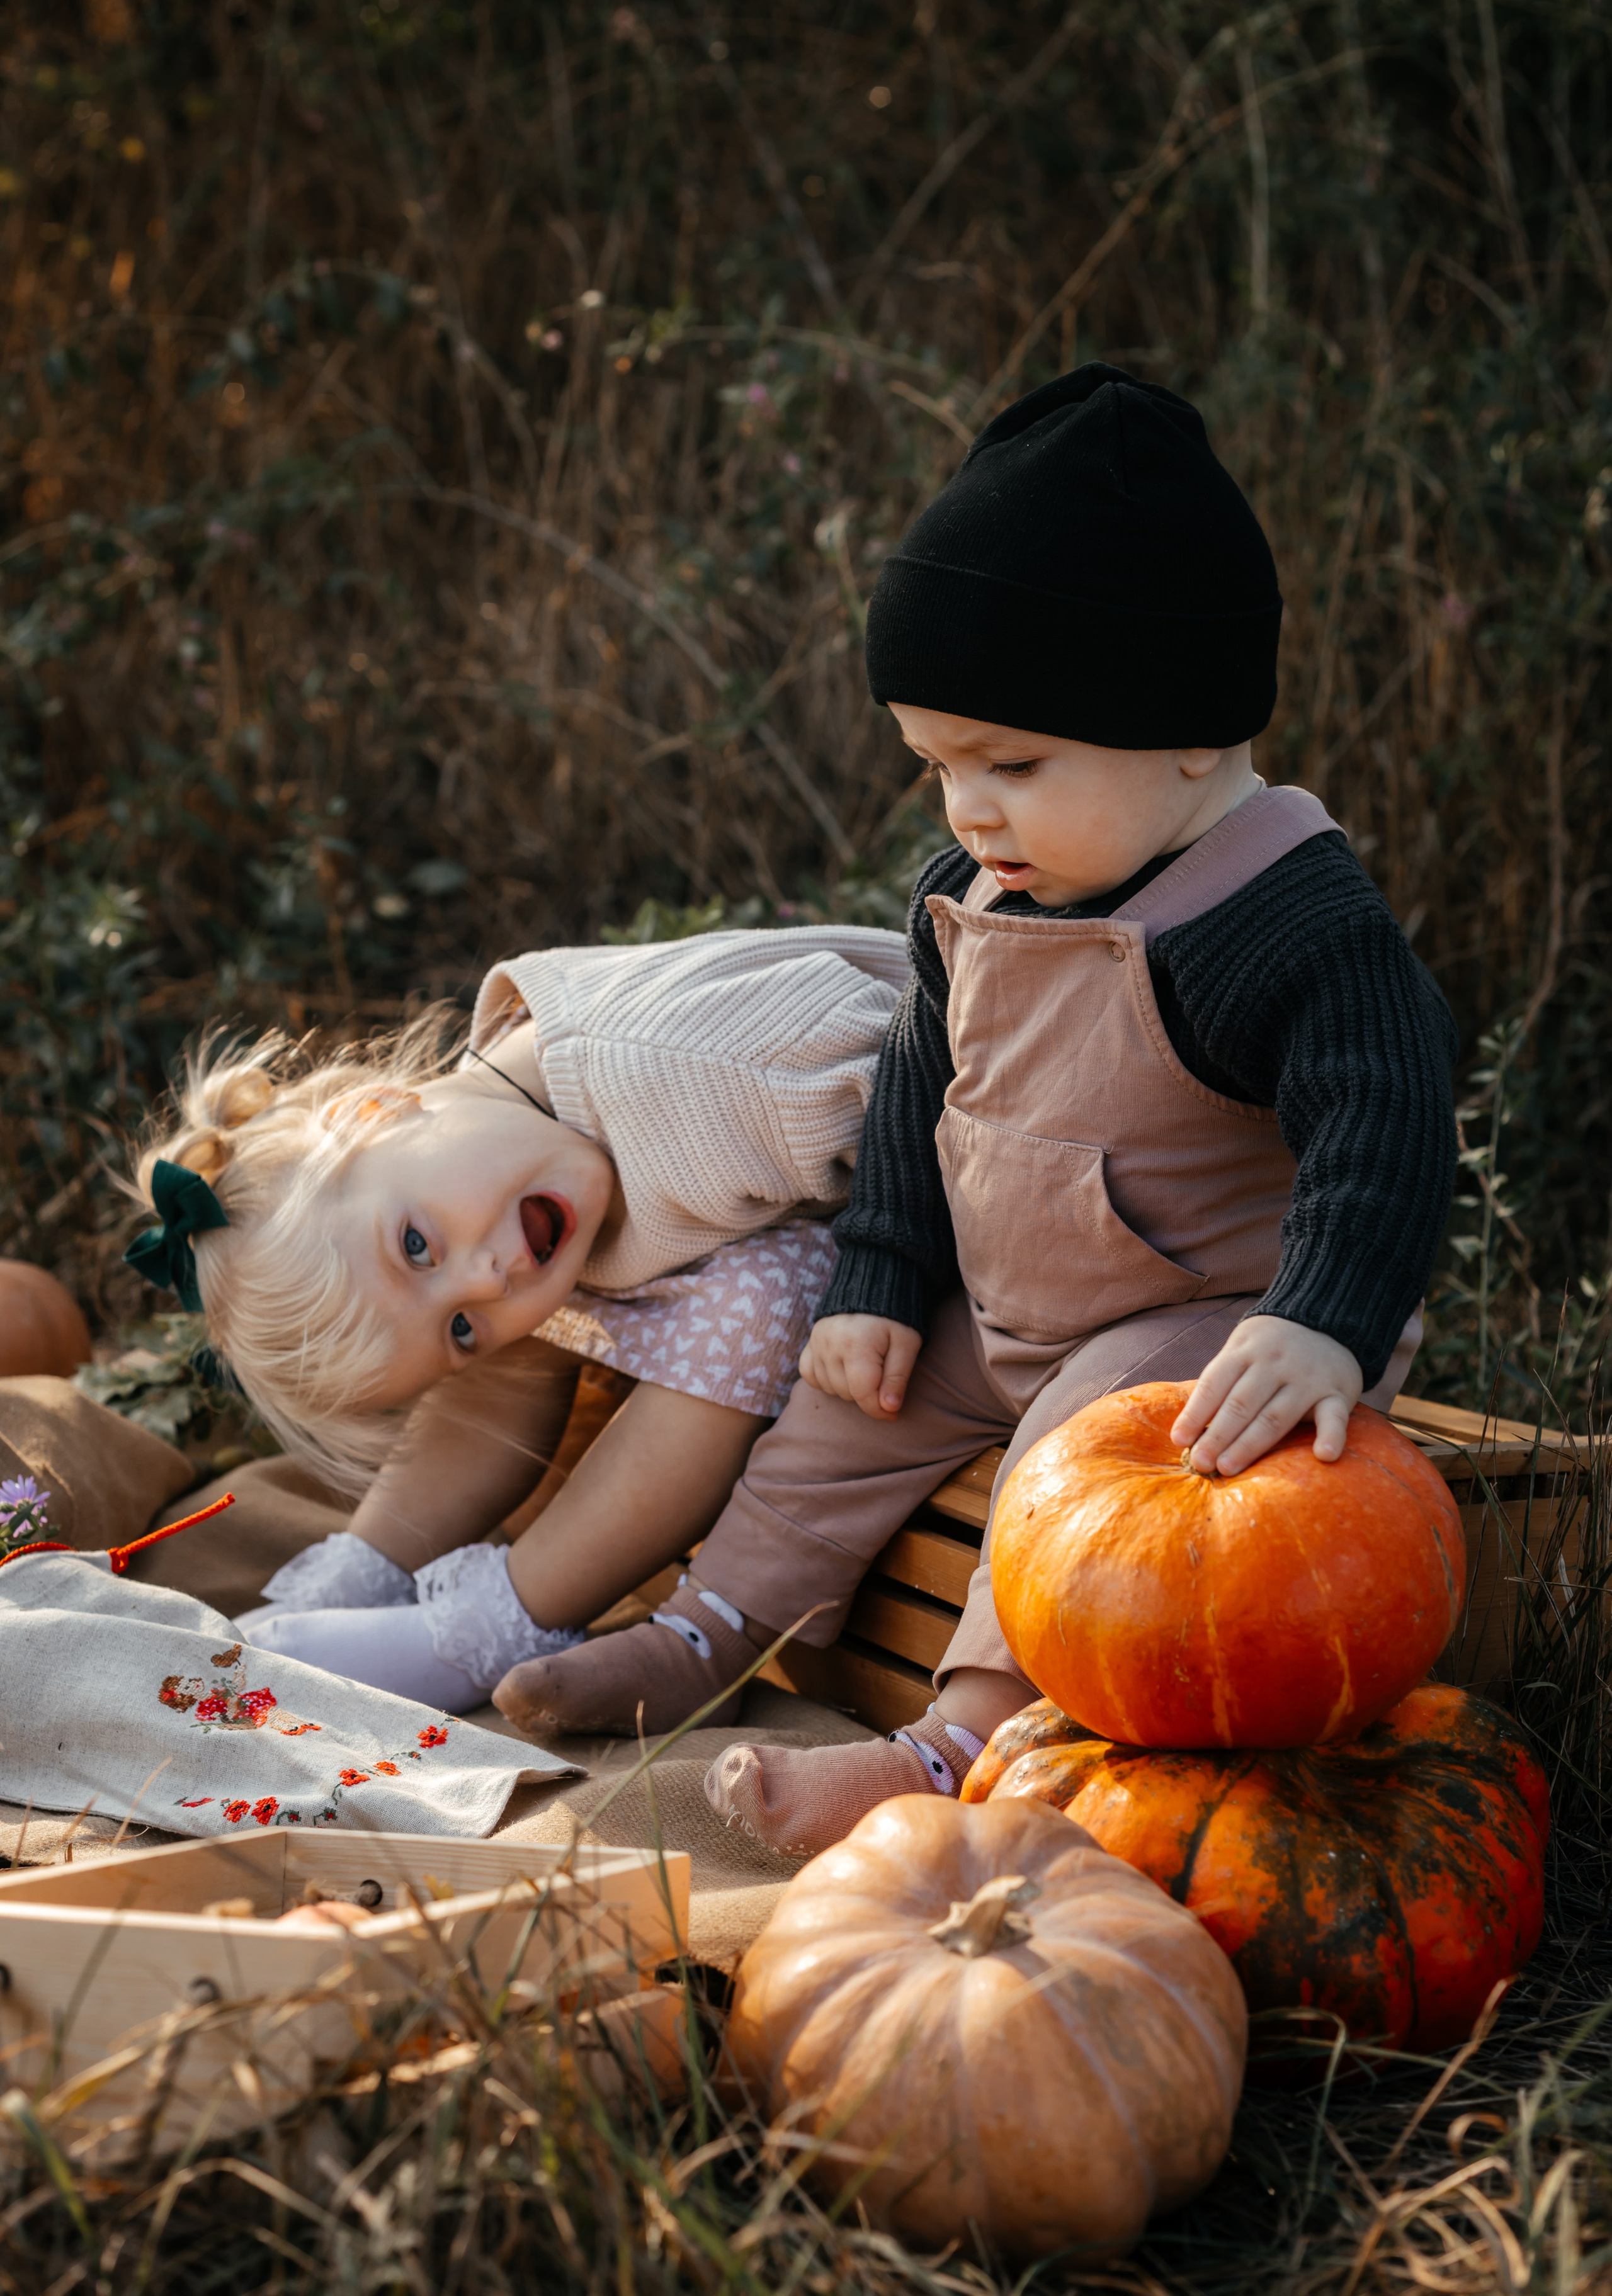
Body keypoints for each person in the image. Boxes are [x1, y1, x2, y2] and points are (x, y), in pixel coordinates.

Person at [499, 363, 1459, 1854]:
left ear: (1187, 727)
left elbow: (1384, 1121)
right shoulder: (974, 892)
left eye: (1009, 763)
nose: (967, 810)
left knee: (1081, 1469)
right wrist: (882, 1272)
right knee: (840, 1402)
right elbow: (914, 1086)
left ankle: (959, 1741)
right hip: (1009, 1306)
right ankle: (700, 1633)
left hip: (1205, 1325)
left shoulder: (1284, 923)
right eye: (936, 765)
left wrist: (1320, 1316)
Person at [120, 920, 907, 1712]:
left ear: (375, 1112)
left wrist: (885, 1273)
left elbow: (936, 1074)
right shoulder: (506, 1154)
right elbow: (489, 1358)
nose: (485, 1280)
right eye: (457, 1327)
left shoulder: (713, 1074)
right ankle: (366, 1569)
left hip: (955, 1195)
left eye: (416, 1244)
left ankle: (506, 1618)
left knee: (751, 1298)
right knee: (513, 1349)